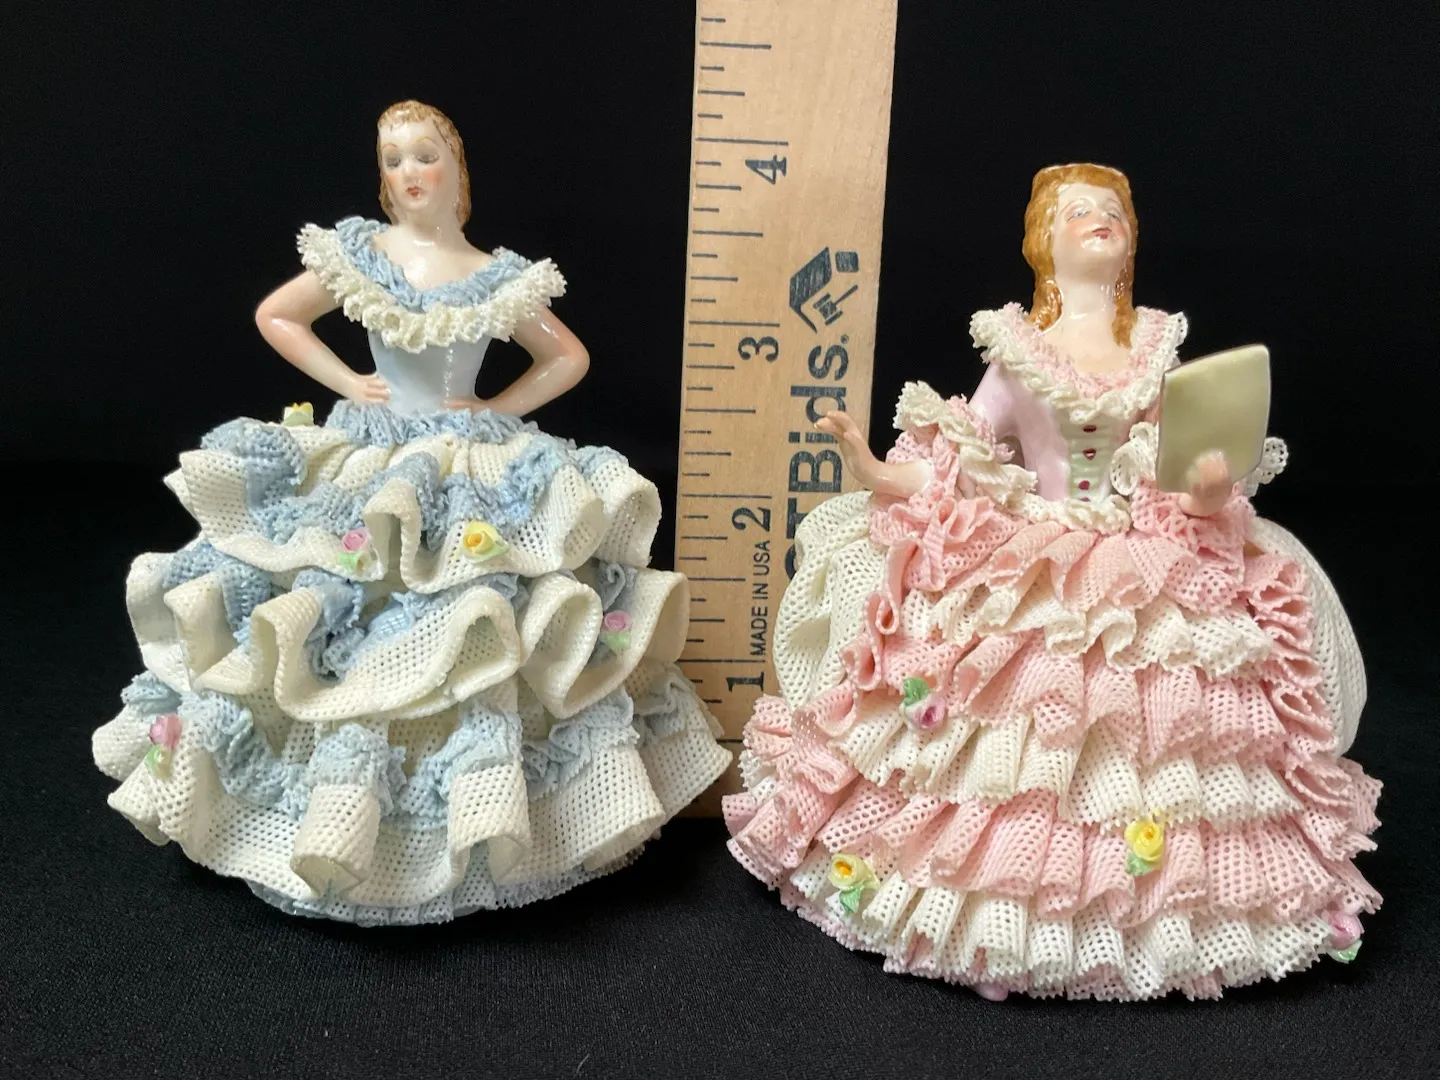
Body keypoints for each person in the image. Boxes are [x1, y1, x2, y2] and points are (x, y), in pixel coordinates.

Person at [724, 163, 1377, 1000]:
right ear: (1043, 241)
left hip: (1142, 556)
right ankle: (998, 921)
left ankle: (1145, 919)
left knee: (1172, 721)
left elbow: (1179, 471)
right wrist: (871, 467)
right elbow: (961, 461)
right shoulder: (1018, 352)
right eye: (1078, 212)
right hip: (1037, 549)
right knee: (1011, 729)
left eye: (1114, 212)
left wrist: (1209, 488)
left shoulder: (1153, 348)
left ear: (1132, 241)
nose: (1100, 220)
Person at [91, 100, 730, 925]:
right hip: (375, 455)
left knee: (481, 606)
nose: (408, 173)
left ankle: (493, 822)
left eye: (424, 155)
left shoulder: (493, 274)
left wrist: (495, 407)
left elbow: (566, 356)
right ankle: (328, 822)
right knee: (344, 604)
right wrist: (349, 384)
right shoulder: (364, 254)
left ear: (457, 168)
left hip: (468, 460)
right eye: (392, 160)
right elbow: (278, 314)